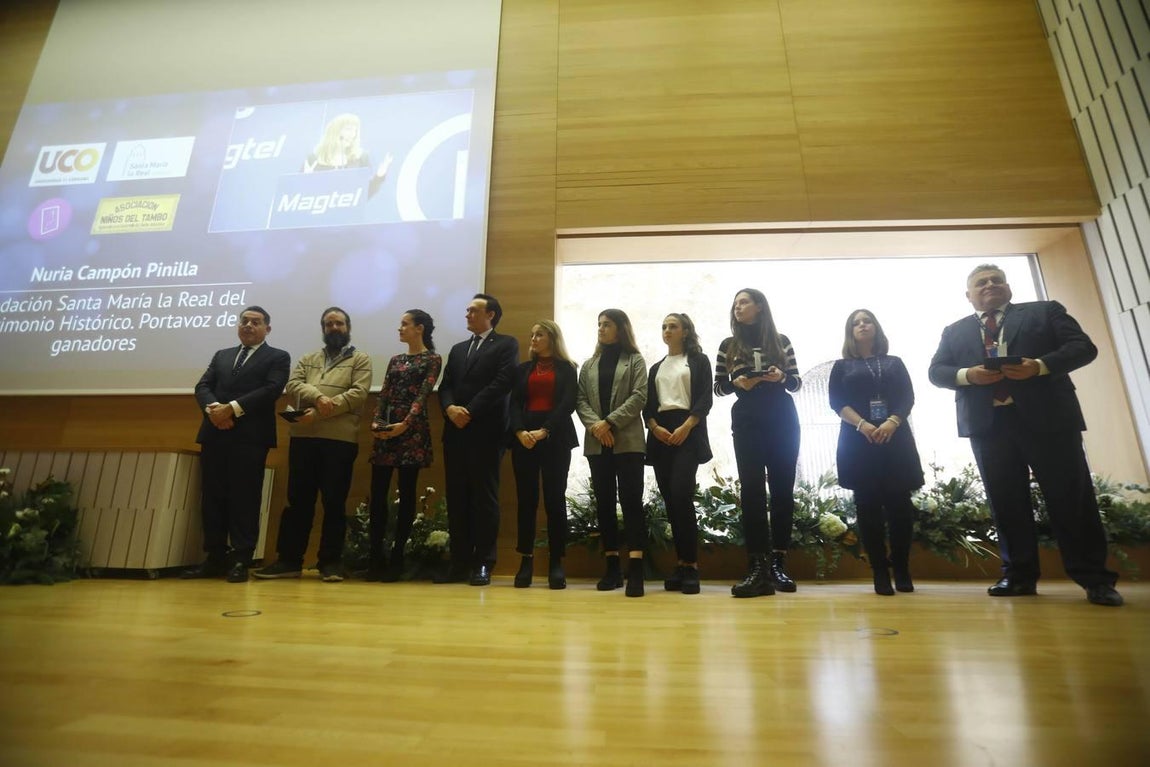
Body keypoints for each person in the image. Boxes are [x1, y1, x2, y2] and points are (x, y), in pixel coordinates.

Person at [928, 264, 1122, 606]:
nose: (989, 285)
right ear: (968, 295)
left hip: (1049, 422)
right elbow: (936, 372)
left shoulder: (1045, 312)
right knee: (1006, 503)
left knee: (1071, 500)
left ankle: (1095, 580)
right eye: (980, 283)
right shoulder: (953, 330)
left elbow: (1083, 347)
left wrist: (1040, 366)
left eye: (996, 280)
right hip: (989, 427)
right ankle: (1018, 576)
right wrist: (967, 375)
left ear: (1008, 287)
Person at [254, 307, 372, 583]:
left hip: (340, 441)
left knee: (334, 502)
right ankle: (289, 561)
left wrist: (318, 412)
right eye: (328, 324)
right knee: (297, 502)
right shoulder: (309, 358)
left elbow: (358, 394)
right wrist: (318, 396)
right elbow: (294, 384)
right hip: (303, 438)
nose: (334, 328)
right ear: (323, 328)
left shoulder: (361, 359)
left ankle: (330, 563)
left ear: (348, 327)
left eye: (339, 323)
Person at [185, 306, 291, 583]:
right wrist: (214, 411)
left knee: (245, 497)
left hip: (250, 438)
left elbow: (272, 390)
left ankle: (241, 558)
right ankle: (215, 557)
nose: (248, 325)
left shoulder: (278, 357)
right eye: (244, 321)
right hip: (215, 433)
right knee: (213, 497)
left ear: (267, 328)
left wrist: (232, 409)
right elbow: (202, 386)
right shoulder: (222, 355)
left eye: (255, 322)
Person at [829, 310, 924, 595]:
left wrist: (892, 422)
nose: (862, 325)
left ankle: (902, 569)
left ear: (876, 328)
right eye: (856, 323)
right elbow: (836, 402)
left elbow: (907, 397)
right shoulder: (842, 365)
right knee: (867, 507)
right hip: (859, 440)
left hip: (895, 438)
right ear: (850, 332)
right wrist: (864, 425)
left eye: (867, 321)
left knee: (900, 508)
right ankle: (879, 572)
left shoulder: (895, 362)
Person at [714, 288, 802, 598]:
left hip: (781, 416)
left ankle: (778, 561)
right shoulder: (728, 345)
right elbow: (718, 388)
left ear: (759, 307)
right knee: (751, 490)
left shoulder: (781, 341)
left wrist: (779, 377)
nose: (738, 308)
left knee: (781, 489)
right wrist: (737, 382)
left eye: (744, 302)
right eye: (735, 303)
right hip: (747, 417)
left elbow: (796, 382)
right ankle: (757, 565)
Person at [438, 294, 519, 586]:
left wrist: (469, 411)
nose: (467, 315)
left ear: (492, 315)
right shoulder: (458, 349)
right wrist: (449, 409)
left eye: (474, 311)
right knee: (457, 498)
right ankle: (459, 562)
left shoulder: (506, 344)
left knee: (484, 499)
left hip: (486, 432)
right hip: (455, 432)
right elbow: (445, 385)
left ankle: (483, 563)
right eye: (467, 310)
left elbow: (503, 382)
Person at [575, 309, 649, 597]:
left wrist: (609, 422)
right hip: (597, 442)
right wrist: (596, 426)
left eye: (607, 324)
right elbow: (580, 399)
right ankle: (612, 567)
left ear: (621, 329)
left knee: (631, 501)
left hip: (628, 441)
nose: (601, 329)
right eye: (599, 325)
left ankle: (637, 569)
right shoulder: (589, 364)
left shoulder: (635, 360)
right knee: (604, 503)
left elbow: (639, 396)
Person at [366, 309, 442, 582]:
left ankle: (398, 556)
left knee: (407, 493)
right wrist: (377, 422)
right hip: (386, 431)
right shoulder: (395, 359)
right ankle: (376, 557)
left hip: (412, 432)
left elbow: (423, 397)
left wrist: (404, 424)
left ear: (419, 328)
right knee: (378, 495)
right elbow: (384, 394)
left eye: (404, 324)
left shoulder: (432, 359)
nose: (400, 329)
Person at [644, 313, 713, 595]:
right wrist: (654, 427)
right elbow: (647, 406)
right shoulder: (656, 367)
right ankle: (680, 563)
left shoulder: (699, 361)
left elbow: (704, 399)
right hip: (661, 432)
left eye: (673, 326)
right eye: (664, 326)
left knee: (681, 493)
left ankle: (692, 566)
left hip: (689, 429)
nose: (667, 330)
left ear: (685, 332)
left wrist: (687, 426)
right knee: (670, 499)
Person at [509, 320, 579, 590]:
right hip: (523, 439)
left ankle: (556, 563)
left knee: (554, 500)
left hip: (555, 438)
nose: (534, 339)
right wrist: (518, 431)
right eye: (532, 334)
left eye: (539, 334)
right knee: (526, 500)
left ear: (552, 338)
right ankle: (525, 561)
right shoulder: (523, 369)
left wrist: (545, 430)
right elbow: (514, 402)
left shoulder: (568, 368)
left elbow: (567, 403)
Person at [303, 113, 393, 197]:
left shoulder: (361, 158)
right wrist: (306, 180)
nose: (352, 134)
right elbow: (299, 195)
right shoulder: (313, 159)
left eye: (355, 131)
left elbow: (364, 195)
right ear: (334, 132)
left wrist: (379, 177)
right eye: (348, 129)